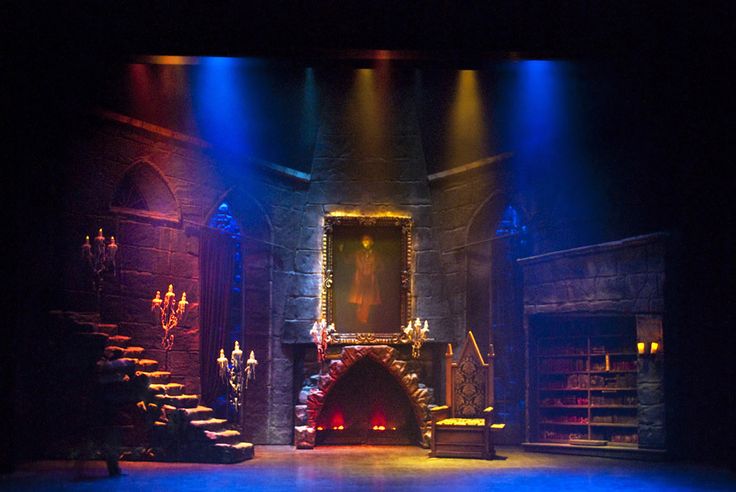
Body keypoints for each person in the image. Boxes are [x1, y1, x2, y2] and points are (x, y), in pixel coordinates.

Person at [348, 234, 382, 325]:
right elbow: (349, 260)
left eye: (367, 240)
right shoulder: (358, 253)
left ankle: (366, 319)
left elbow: (381, 265)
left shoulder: (376, 254)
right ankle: (358, 320)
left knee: (369, 300)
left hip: (371, 279)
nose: (365, 242)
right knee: (359, 300)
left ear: (372, 242)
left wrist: (373, 271)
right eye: (364, 240)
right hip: (360, 279)